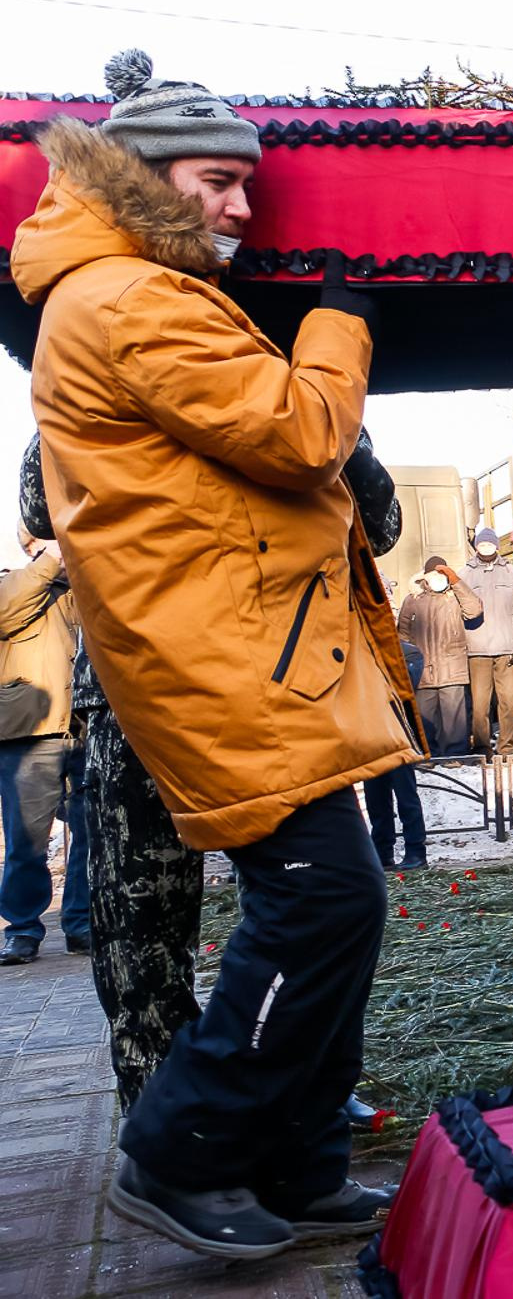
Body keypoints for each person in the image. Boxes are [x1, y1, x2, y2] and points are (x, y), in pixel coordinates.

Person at [12, 51, 418, 1255]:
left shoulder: (131, 289)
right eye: (216, 181)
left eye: (249, 184)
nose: (244, 208)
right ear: (139, 181)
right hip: (220, 654)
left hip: (251, 647)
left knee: (339, 907)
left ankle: (296, 1161)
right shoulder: (125, 297)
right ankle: (181, 1147)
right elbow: (299, 433)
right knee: (319, 903)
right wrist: (342, 318)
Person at [19, 427, 401, 1111]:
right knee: (142, 926)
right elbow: (40, 505)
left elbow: (382, 523)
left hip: (272, 691)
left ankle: (295, 1093)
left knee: (309, 906)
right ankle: (169, 1120)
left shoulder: (286, 391)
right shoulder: (102, 383)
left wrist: (327, 439)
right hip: (134, 691)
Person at [0, 531, 88, 966]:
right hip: (30, 731)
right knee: (27, 842)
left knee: (93, 835)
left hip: (85, 728)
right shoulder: (13, 583)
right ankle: (21, 928)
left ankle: (82, 923)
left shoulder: (79, 591)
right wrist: (49, 561)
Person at [397, 557, 484, 759]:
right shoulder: (412, 599)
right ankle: (428, 754)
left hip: (452, 667)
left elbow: (474, 610)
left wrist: (456, 581)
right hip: (423, 669)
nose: (437, 578)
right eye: (433, 574)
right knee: (425, 718)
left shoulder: (455, 596)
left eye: (441, 575)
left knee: (454, 717)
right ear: (425, 577)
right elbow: (403, 633)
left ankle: (456, 756)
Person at [460, 527, 513, 756]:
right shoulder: (465, 574)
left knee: (508, 702)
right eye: (482, 544)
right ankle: (482, 748)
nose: (486, 548)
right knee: (480, 705)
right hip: (477, 648)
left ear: (497, 547)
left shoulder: (512, 573)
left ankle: (507, 748)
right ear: (476, 547)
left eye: (489, 544)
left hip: (506, 647)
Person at [363, 635, 428, 869]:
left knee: (406, 797)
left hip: (398, 734)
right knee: (376, 799)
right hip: (370, 737)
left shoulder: (408, 652)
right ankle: (382, 852)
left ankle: (416, 851)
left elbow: (404, 686)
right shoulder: (358, 658)